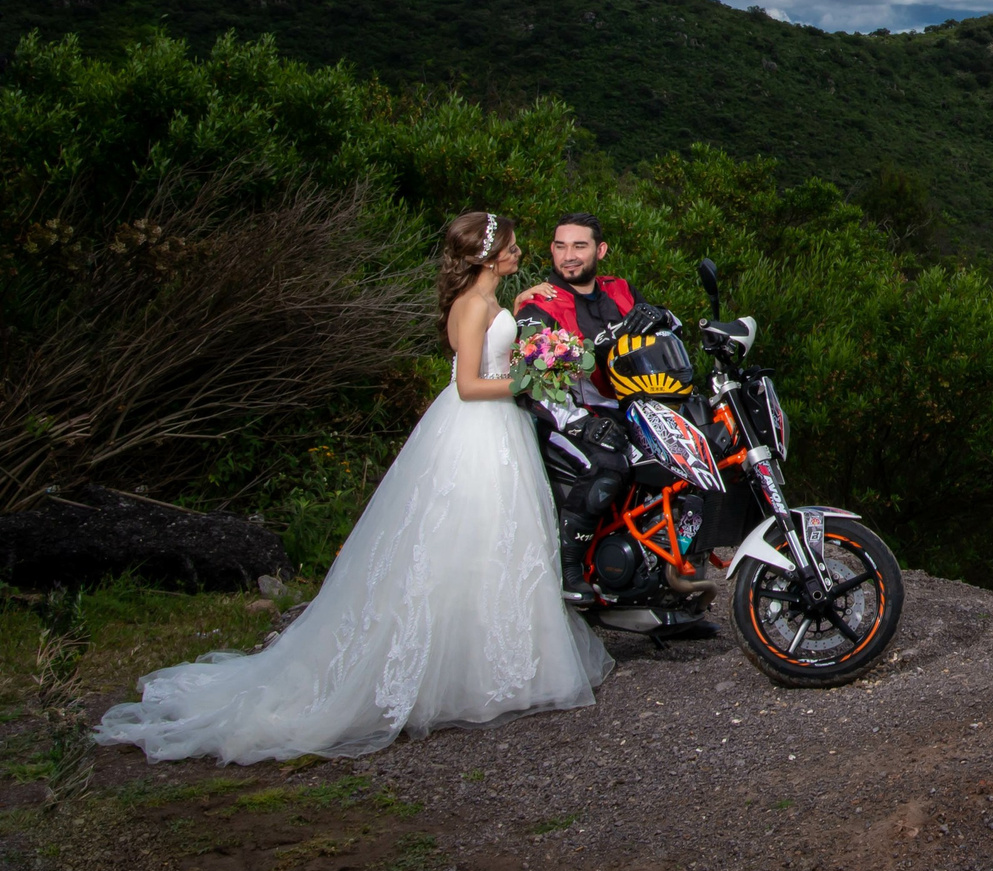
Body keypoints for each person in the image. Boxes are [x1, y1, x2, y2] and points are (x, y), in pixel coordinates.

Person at [94, 212, 611, 764]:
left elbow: (500, 341)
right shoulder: (472, 305)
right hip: (475, 430)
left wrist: (533, 340)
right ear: (487, 257)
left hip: (500, 431)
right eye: (509, 247)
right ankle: (451, 671)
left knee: (499, 546)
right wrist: (529, 379)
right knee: (461, 542)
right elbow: (466, 385)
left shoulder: (492, 299)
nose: (517, 252)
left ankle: (496, 667)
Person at [512, 213, 640, 604]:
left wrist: (667, 318)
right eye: (560, 246)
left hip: (626, 408)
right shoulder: (541, 303)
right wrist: (581, 424)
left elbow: (656, 338)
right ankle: (569, 571)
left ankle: (665, 580)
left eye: (579, 246)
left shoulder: (620, 290)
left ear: (599, 250)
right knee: (606, 466)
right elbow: (532, 380)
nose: (568, 256)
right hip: (563, 417)